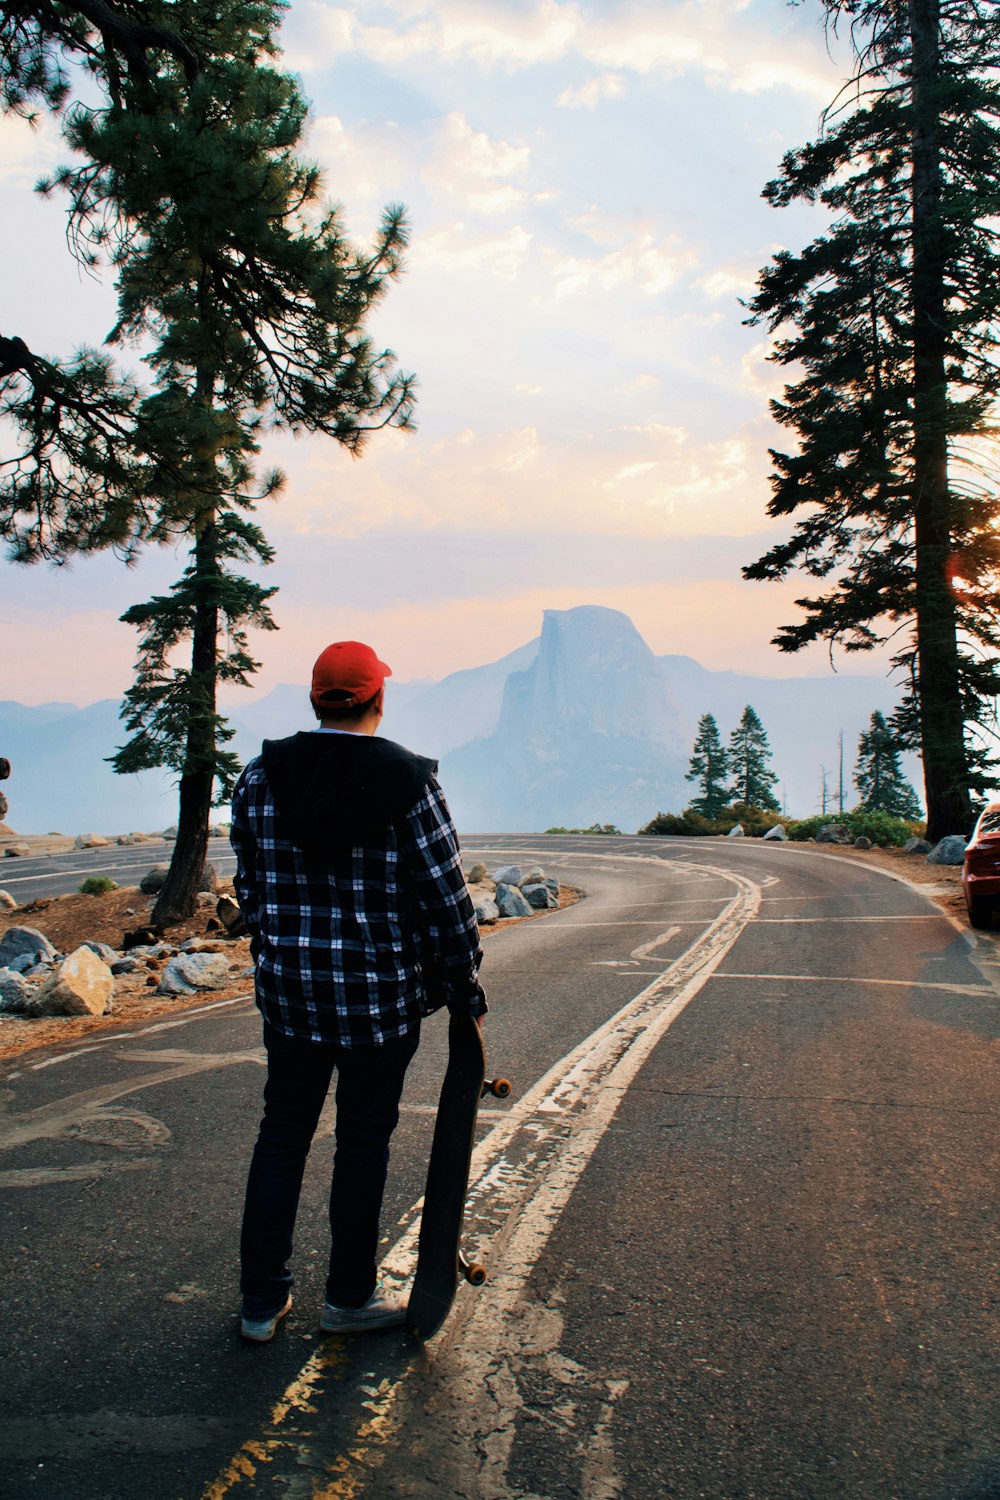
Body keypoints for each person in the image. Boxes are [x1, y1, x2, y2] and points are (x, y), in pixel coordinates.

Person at [230, 640, 486, 1341]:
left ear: (315, 698)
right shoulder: (410, 783)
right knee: (361, 1143)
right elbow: (444, 898)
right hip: (379, 1004)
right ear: (379, 699)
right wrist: (462, 978)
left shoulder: (259, 779)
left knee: (281, 1135)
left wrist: (278, 945)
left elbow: (249, 887)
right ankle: (347, 1298)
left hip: (289, 999)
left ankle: (260, 1302)